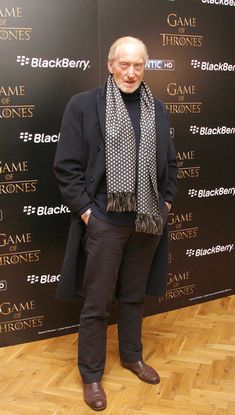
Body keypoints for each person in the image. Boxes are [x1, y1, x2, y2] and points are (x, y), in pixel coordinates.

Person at [54, 36, 178, 411]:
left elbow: (170, 164)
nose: (131, 72)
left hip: (147, 221)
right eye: (124, 64)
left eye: (138, 65)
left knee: (134, 297)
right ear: (110, 65)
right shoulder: (83, 106)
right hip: (104, 220)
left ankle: (132, 357)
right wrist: (89, 213)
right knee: (96, 303)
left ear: (144, 67)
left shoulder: (155, 108)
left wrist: (166, 201)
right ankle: (91, 376)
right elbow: (66, 167)